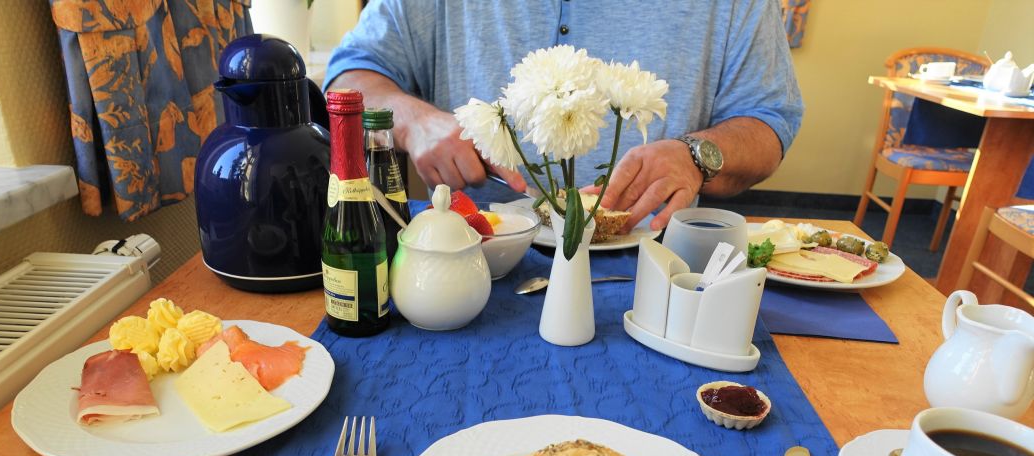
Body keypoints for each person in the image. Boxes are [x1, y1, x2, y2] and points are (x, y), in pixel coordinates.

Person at [324, 0, 803, 232]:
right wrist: (413, 120)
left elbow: (768, 119)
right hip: (474, 254)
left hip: (655, 263)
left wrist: (694, 156)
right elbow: (349, 78)